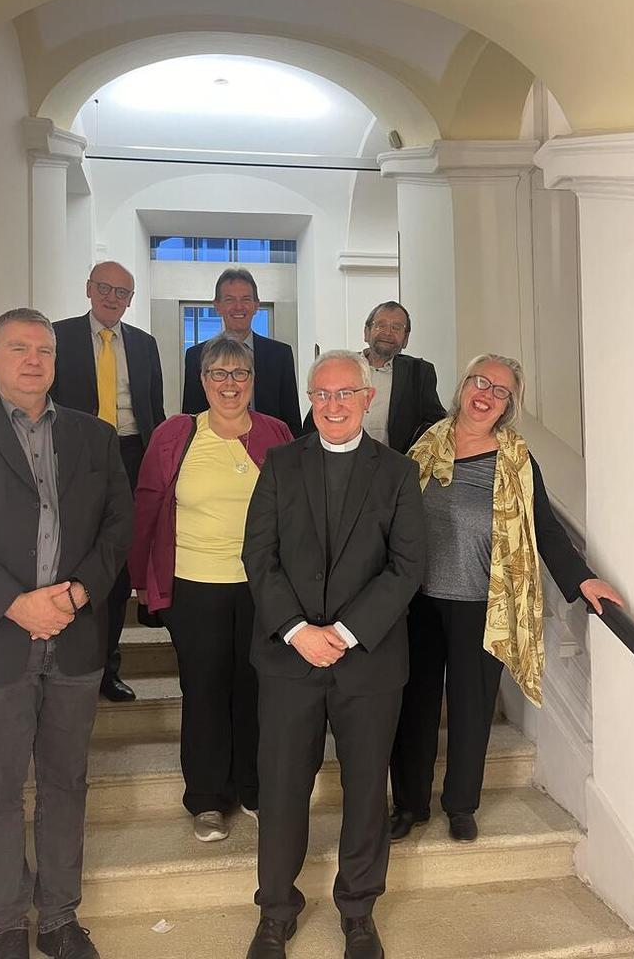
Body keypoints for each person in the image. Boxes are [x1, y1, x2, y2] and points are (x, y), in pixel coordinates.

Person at [0, 308, 133, 959]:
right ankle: (9, 924)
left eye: (44, 349)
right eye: (18, 348)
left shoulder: (95, 437)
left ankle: (61, 918)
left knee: (67, 784)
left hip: (74, 636)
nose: (34, 359)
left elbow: (117, 528)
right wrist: (17, 605)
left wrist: (76, 593)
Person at [389, 353, 624, 844]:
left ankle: (461, 805)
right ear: (463, 386)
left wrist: (582, 579)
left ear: (509, 405)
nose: (487, 395)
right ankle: (409, 804)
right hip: (418, 600)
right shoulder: (425, 443)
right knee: (415, 705)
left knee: (472, 708)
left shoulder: (516, 458)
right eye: (481, 382)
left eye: (501, 391)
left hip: (484, 603)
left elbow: (546, 527)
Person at [242, 350, 425, 959]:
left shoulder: (398, 472)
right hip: (288, 657)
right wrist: (297, 629)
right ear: (310, 401)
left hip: (368, 661)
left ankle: (359, 911)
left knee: (367, 789)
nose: (333, 404)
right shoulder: (279, 463)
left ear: (368, 399)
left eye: (346, 393)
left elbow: (407, 567)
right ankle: (275, 911)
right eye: (322, 394)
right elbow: (258, 555)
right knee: (282, 788)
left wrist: (343, 632)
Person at [128, 334, 292, 842]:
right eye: (218, 373)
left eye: (240, 373)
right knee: (203, 691)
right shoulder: (176, 434)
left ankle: (254, 789)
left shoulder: (276, 433)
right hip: (193, 585)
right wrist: (141, 582)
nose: (229, 383)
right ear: (202, 381)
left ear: (253, 381)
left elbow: (297, 511)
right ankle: (206, 798)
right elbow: (147, 507)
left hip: (261, 588)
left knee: (256, 688)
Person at [51, 260, 166, 702]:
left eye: (122, 292)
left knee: (118, 562)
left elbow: (154, 408)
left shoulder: (144, 344)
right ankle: (69, 661)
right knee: (75, 555)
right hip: (76, 459)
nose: (112, 298)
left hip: (132, 454)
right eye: (104, 288)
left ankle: (107, 669)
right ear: (88, 288)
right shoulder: (58, 336)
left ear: (131, 300)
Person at [302, 301, 445, 451]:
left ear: (406, 339)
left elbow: (437, 424)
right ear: (366, 332)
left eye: (396, 328)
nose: (387, 333)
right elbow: (316, 417)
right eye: (380, 325)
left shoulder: (419, 373)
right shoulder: (342, 367)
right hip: (337, 457)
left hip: (394, 461)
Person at [182, 267, 302, 437]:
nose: (238, 307)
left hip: (270, 447)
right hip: (214, 445)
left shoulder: (280, 355)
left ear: (256, 305)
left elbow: (291, 420)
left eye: (246, 299)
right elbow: (192, 416)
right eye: (229, 300)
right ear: (217, 306)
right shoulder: (196, 356)